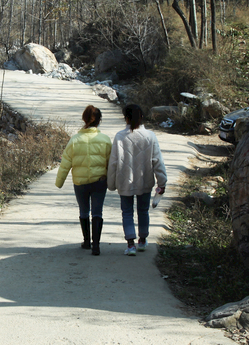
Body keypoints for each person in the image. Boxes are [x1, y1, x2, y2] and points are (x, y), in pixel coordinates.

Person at [107, 104, 167, 256]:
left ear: (125, 118)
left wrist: (111, 183)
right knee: (143, 211)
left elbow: (113, 162)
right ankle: (142, 240)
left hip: (124, 181)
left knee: (127, 212)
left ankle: (130, 245)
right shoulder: (150, 136)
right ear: (142, 117)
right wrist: (162, 182)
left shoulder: (120, 136)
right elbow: (157, 161)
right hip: (144, 180)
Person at [55, 105, 112, 255]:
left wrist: (59, 182)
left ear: (84, 119)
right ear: (99, 121)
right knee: (97, 212)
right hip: (100, 181)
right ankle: (96, 246)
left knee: (84, 210)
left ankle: (87, 241)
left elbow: (65, 163)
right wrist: (113, 181)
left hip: (80, 183)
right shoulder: (105, 140)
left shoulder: (74, 140)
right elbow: (111, 163)